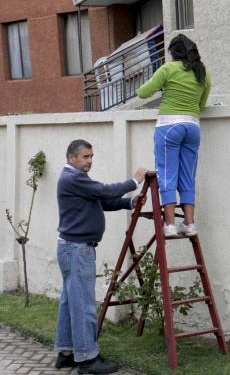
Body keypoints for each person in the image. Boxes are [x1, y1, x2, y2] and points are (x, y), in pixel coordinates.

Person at [54, 139, 147, 374]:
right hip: (77, 250)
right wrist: (134, 182)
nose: (89, 161)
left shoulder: (75, 179)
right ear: (71, 158)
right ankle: (87, 360)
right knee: (83, 305)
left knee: (70, 302)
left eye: (91, 156)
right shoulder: (73, 178)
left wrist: (128, 202)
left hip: (72, 248)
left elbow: (100, 200)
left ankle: (66, 354)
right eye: (85, 157)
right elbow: (104, 191)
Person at [138, 34, 211, 238]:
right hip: (192, 127)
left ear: (173, 53)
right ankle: (189, 223)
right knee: (188, 174)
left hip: (169, 126)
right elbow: (201, 104)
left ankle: (170, 225)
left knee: (167, 173)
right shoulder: (202, 73)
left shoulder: (168, 69)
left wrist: (164, 86)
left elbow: (143, 93)